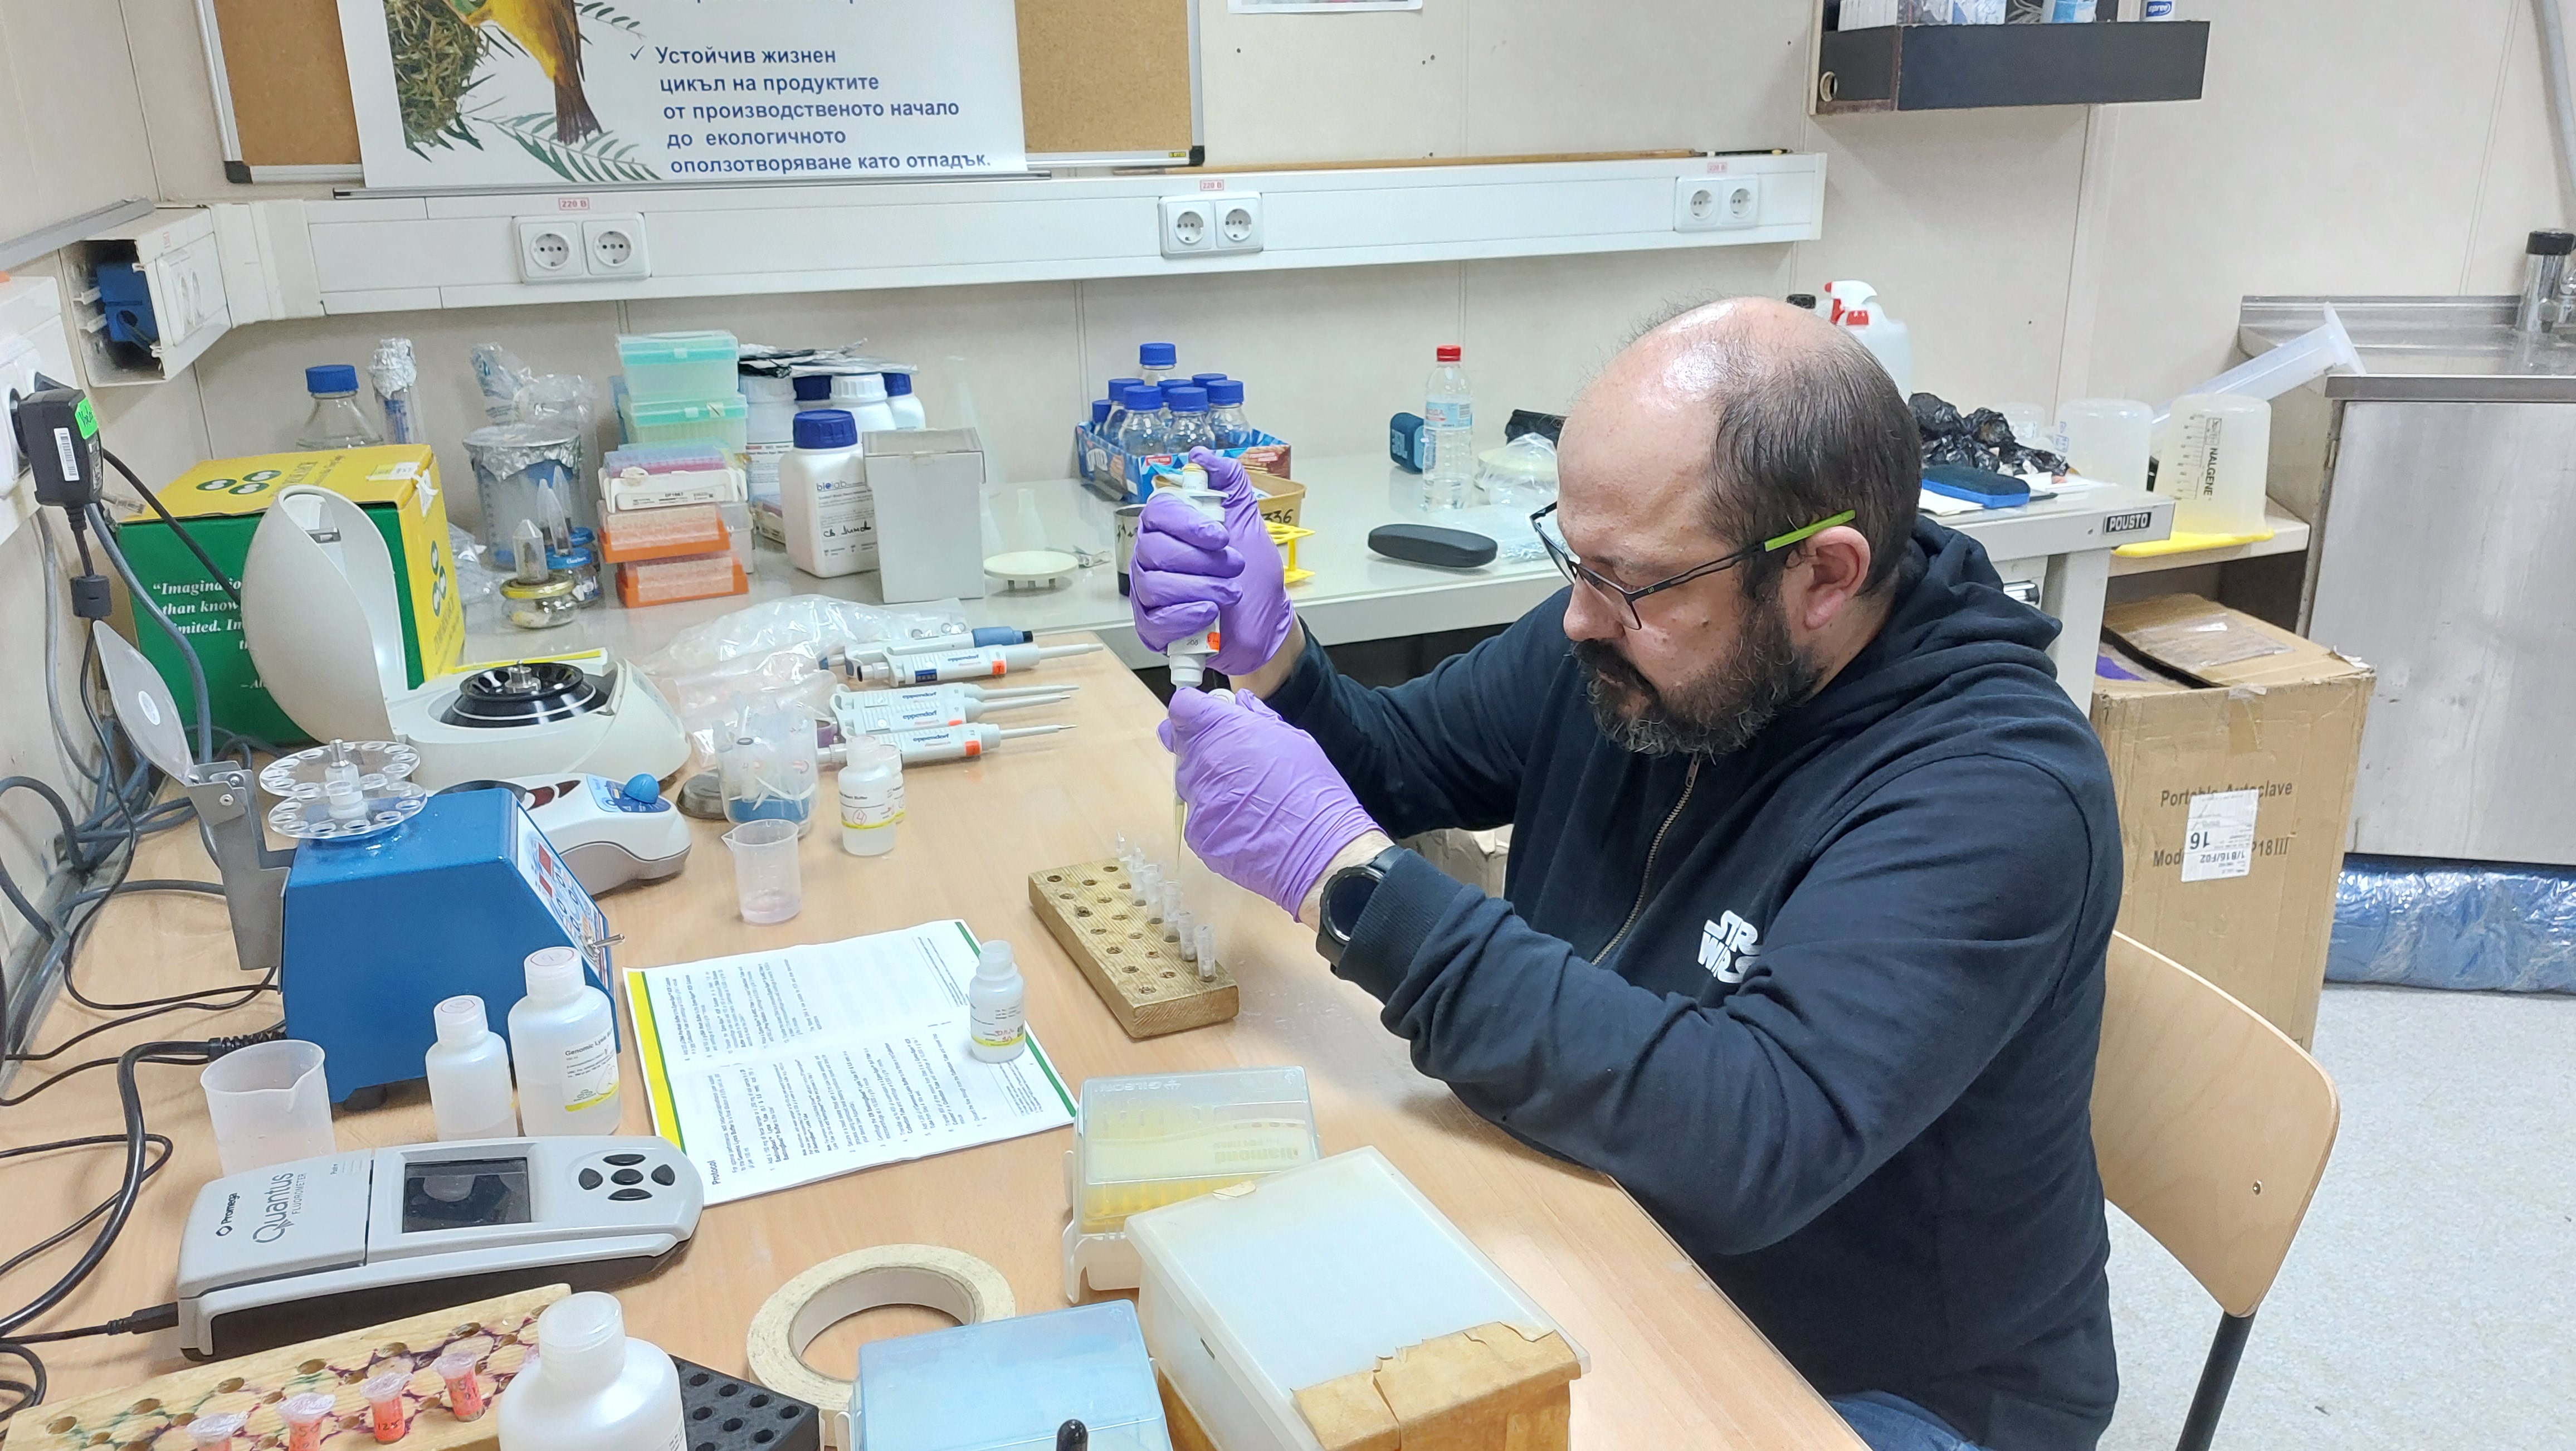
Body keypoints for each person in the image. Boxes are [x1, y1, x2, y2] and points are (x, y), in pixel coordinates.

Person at [1125, 298, 2123, 1451]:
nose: (1576, 618)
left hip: (1870, 1379)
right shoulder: (1633, 639)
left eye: (1630, 581)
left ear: (1823, 575)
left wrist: (1351, 883)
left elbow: (1749, 1137)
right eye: (1575, 559)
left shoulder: (1992, 790)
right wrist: (1279, 663)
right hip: (1604, 1213)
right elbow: (1399, 764)